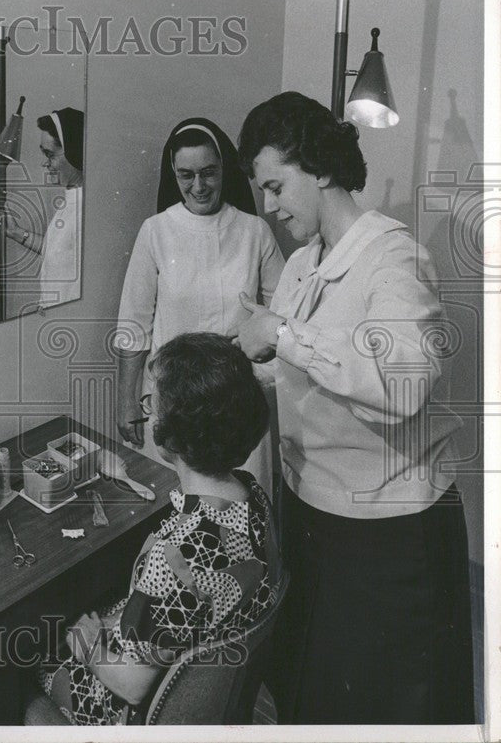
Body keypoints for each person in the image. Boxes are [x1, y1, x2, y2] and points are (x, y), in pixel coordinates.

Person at [234, 91, 473, 724]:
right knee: (313, 694)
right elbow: (291, 377)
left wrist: (282, 336)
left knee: (383, 707)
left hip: (388, 536)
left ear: (321, 167)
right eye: (261, 192)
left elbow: (401, 382)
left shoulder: (394, 259)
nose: (269, 206)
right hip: (314, 513)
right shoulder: (305, 265)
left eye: (276, 186)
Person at [27, 333, 281, 726]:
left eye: (152, 403)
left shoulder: (174, 553)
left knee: (40, 659)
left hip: (135, 708)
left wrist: (90, 643)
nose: (147, 410)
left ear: (174, 428)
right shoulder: (254, 497)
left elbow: (132, 686)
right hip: (210, 687)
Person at [115, 118, 285, 489]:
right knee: (171, 505)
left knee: (239, 504)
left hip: (235, 395)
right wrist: (127, 401)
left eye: (208, 173)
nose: (198, 186)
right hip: (171, 398)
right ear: (173, 175)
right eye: (186, 175)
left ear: (224, 169)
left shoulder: (255, 231)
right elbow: (133, 324)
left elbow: (284, 314)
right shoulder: (155, 231)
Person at [2, 107, 84, 309]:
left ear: (74, 152)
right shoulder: (71, 199)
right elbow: (58, 253)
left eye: (50, 155)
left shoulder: (85, 209)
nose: (46, 164)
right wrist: (16, 233)